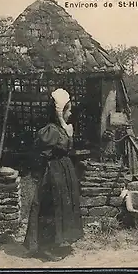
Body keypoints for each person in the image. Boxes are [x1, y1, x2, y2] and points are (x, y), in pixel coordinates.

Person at [24, 88, 83, 261]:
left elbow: (65, 148)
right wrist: (69, 135)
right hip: (53, 173)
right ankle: (46, 247)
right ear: (60, 111)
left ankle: (58, 242)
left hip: (62, 170)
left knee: (62, 205)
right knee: (50, 206)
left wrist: (68, 133)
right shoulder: (50, 131)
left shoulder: (61, 128)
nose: (71, 113)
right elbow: (51, 151)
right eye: (69, 109)